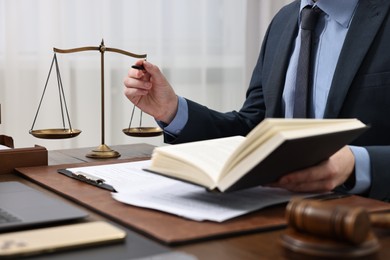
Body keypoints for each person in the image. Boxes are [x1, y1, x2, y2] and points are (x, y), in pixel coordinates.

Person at [124, 0, 390, 202]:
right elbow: (253, 129)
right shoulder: (284, 21)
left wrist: (357, 164)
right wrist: (172, 110)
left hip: (365, 217)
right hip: (275, 213)